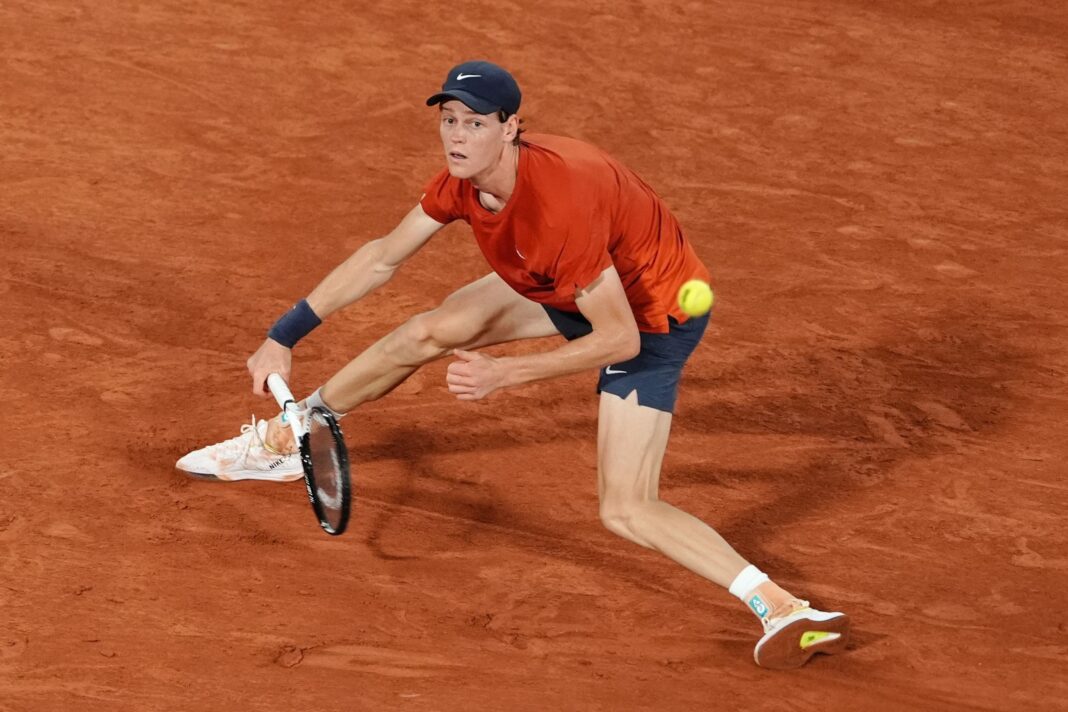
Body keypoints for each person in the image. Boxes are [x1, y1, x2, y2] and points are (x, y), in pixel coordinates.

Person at [176, 60, 850, 669]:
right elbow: (383, 255)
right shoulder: (463, 183)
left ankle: (782, 607)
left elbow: (618, 339)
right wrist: (285, 332)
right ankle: (285, 440)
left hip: (650, 321)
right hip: (569, 285)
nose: (457, 136)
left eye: (475, 123)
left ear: (511, 128)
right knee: (431, 329)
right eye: (448, 121)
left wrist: (506, 374)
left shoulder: (560, 206)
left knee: (625, 508)